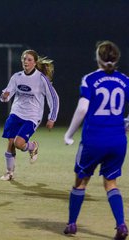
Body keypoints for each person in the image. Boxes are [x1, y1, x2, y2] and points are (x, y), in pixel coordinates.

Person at [63, 41, 129, 239]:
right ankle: (121, 225)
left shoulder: (90, 79)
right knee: (111, 183)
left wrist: (69, 134)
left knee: (81, 182)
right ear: (117, 59)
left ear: (98, 58)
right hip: (118, 140)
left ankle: (72, 224)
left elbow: (83, 109)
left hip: (94, 139)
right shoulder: (125, 80)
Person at [0, 49, 59, 181]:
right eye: (24, 59)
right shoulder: (17, 77)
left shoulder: (41, 79)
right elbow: (6, 95)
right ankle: (9, 173)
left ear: (35, 62)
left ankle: (32, 146)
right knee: (10, 142)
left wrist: (52, 117)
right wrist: (4, 96)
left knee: (19, 143)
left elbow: (53, 98)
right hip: (16, 113)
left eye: (29, 60)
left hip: (32, 116)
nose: (26, 62)